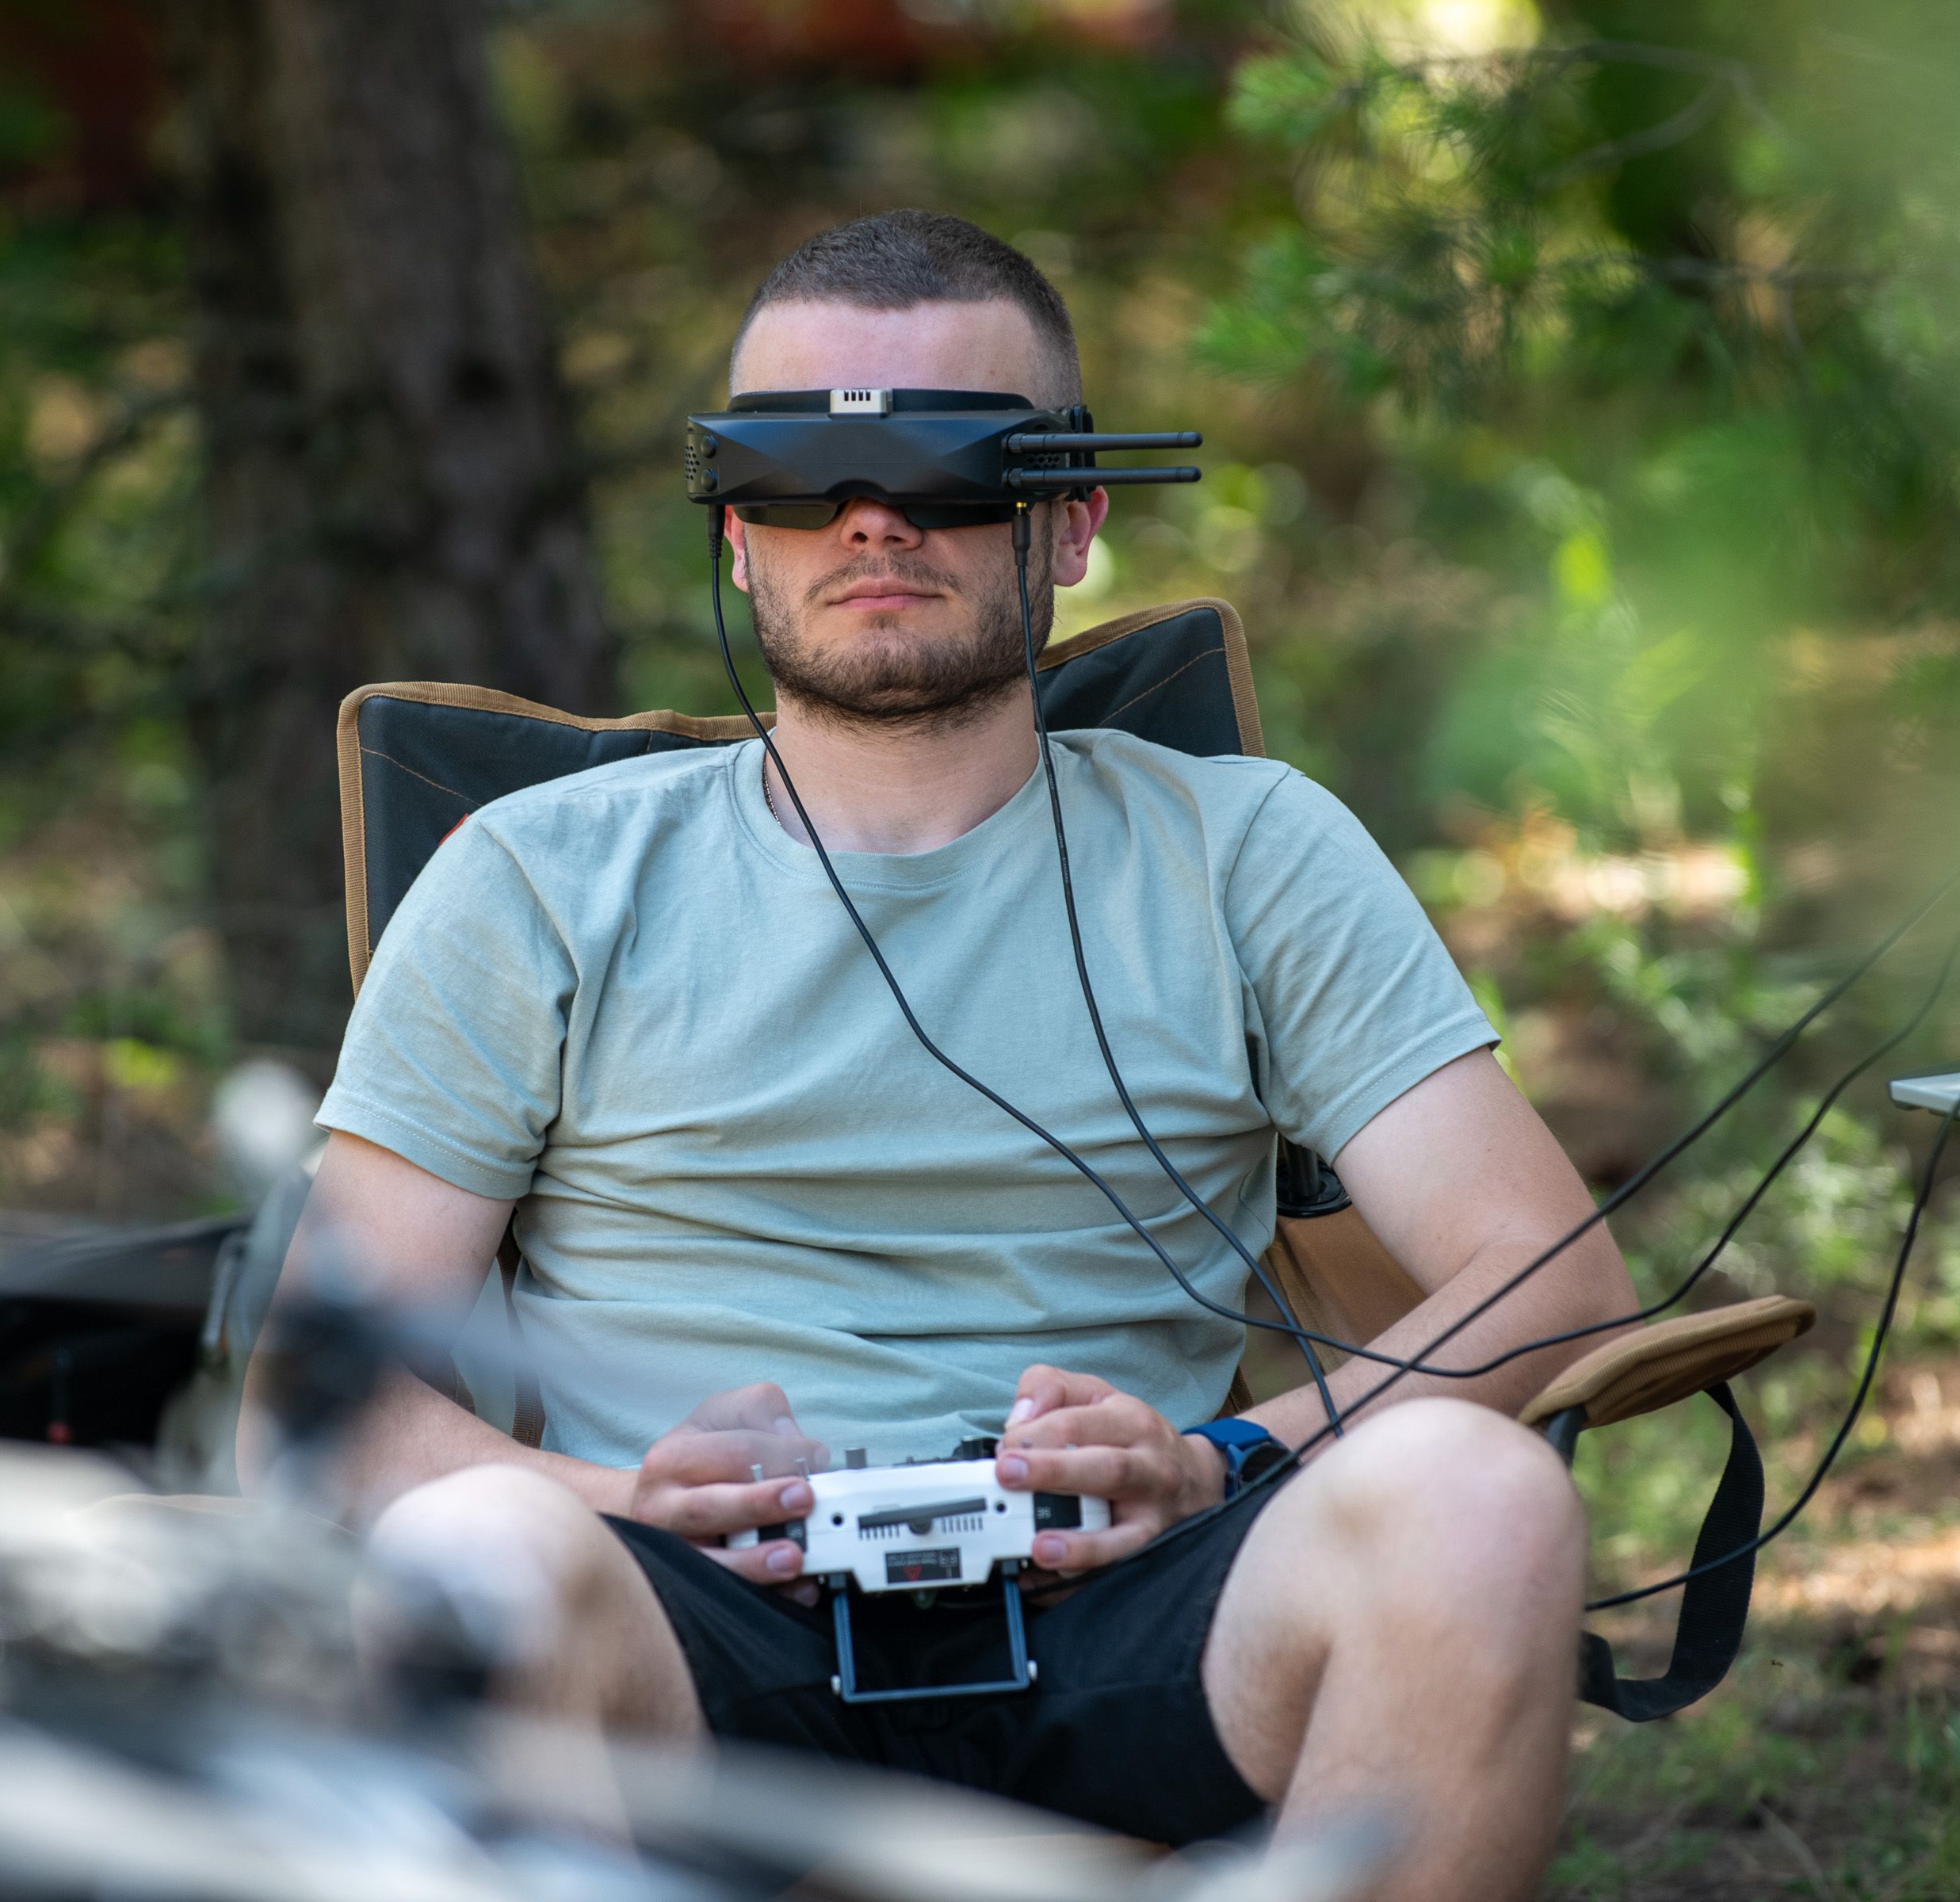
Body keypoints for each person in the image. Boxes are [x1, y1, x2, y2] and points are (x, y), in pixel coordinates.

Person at [246, 209, 1636, 1902]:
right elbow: (316, 1397)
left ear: (1073, 517)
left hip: (1137, 1602)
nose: (873, 519)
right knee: (475, 1552)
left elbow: (1552, 1278)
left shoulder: (1246, 849)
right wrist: (625, 1500)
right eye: (795, 476)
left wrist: (1219, 1461)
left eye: (950, 469)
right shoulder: (536, 879)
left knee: (1479, 1502)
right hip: (688, 1631)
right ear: (735, 532)